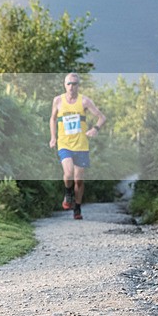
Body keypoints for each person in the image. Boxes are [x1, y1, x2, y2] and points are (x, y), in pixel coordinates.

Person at [49, 73, 106, 219]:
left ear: (78, 85)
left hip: (81, 145)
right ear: (64, 85)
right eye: (69, 84)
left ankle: (77, 208)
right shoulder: (58, 100)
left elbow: (101, 117)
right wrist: (53, 137)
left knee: (79, 180)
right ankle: (68, 195)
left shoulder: (84, 101)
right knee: (68, 173)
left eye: (74, 84)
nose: (71, 87)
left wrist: (95, 129)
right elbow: (53, 119)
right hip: (64, 143)